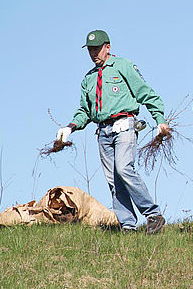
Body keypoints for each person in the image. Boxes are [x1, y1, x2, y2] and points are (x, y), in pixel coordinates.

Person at [56, 30, 168, 234]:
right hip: (103, 132)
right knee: (114, 180)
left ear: (108, 47)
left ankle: (153, 215)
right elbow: (85, 111)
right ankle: (128, 226)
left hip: (124, 125)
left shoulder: (123, 66)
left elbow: (146, 93)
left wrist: (160, 120)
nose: (93, 53)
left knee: (124, 169)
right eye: (90, 50)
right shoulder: (89, 79)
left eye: (97, 49)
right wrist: (70, 127)